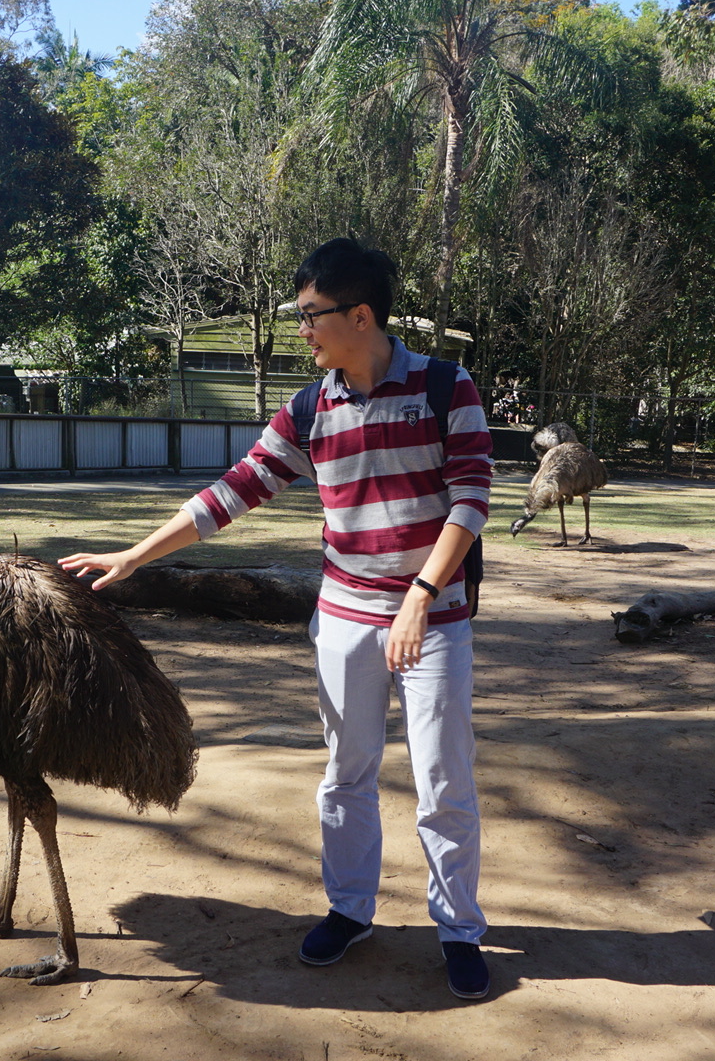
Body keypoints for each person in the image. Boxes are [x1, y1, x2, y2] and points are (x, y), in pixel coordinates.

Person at [59, 238, 495, 1000]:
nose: (302, 330)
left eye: (310, 315)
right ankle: (350, 910)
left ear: (360, 315)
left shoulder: (444, 388)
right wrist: (135, 556)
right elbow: (234, 491)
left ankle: (458, 926)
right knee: (345, 773)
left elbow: (471, 499)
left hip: (434, 617)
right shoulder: (309, 407)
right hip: (345, 616)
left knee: (442, 780)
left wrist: (421, 596)